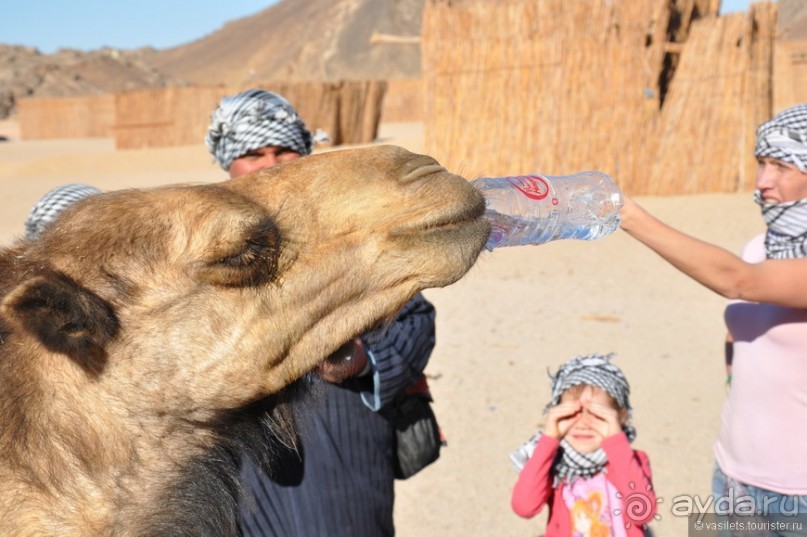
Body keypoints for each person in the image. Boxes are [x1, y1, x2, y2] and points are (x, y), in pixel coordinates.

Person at [205, 89, 438, 537]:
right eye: (253, 154)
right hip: (241, 467)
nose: (271, 165)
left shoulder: (352, 232)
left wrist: (363, 362)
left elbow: (415, 321)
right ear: (229, 163)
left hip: (344, 452)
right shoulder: (200, 247)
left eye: (283, 150)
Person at [619, 103, 807, 535]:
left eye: (781, 166)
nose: (763, 182)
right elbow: (741, 325)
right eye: (762, 163)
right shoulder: (762, 244)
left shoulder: (757, 265)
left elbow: (739, 283)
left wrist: (629, 216)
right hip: (733, 477)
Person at [510, 353, 656, 536]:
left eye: (597, 415)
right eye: (572, 413)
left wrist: (616, 444)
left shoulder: (632, 460)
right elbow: (524, 507)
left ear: (621, 417)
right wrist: (549, 440)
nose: (583, 424)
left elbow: (643, 513)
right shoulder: (555, 464)